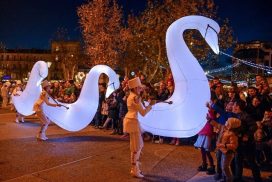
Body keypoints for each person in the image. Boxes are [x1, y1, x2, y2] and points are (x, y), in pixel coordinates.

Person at [123, 77, 155, 178]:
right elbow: (143, 113)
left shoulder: (132, 96)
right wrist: (150, 105)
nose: (141, 89)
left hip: (131, 121)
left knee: (136, 146)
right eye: (140, 87)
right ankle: (135, 170)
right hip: (133, 122)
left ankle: (135, 168)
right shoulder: (135, 98)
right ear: (136, 88)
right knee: (137, 146)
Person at [216, 117, 241, 182]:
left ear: (231, 125)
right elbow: (217, 125)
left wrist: (224, 145)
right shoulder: (226, 130)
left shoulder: (232, 134)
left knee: (225, 167)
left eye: (228, 121)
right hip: (223, 151)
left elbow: (234, 145)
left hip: (228, 153)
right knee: (223, 166)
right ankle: (225, 179)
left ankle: (229, 179)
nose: (226, 122)